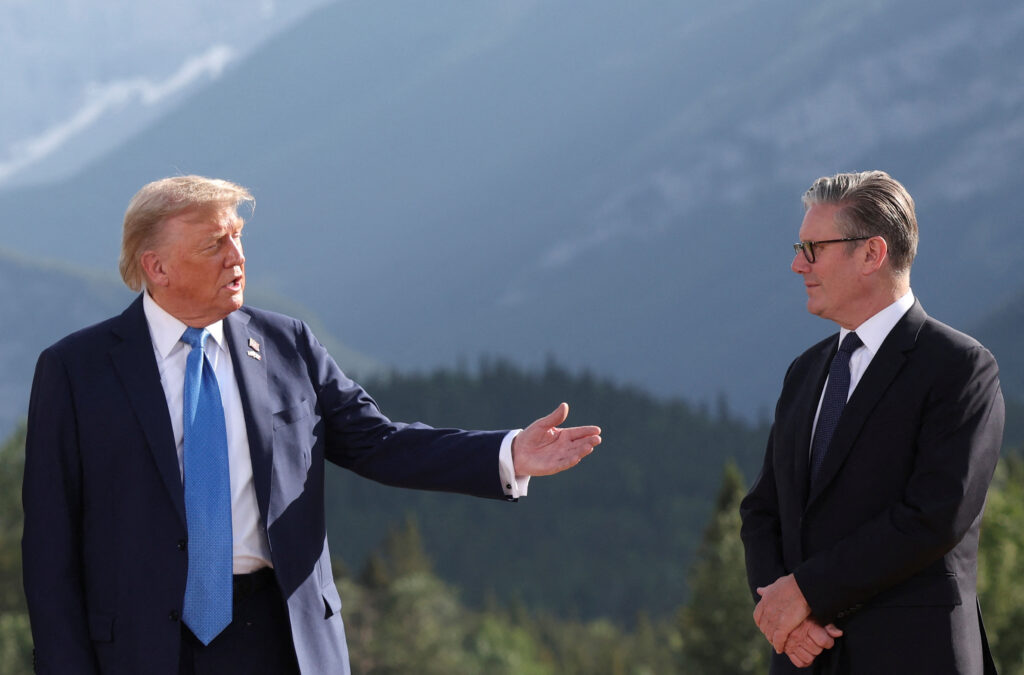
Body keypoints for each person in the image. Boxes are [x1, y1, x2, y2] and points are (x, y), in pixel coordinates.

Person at [22, 175, 602, 675]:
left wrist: (508, 454)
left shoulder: (286, 343)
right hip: (142, 649)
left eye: (238, 237)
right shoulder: (76, 371)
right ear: (158, 267)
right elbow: (50, 549)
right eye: (214, 244)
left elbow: (379, 443)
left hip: (281, 637)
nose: (236, 257)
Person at [740, 171, 1003, 674]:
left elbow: (934, 515)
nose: (797, 264)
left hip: (915, 657)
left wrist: (805, 593)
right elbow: (762, 511)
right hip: (804, 658)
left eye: (813, 248)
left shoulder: (960, 368)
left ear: (871, 254)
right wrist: (784, 619)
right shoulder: (805, 372)